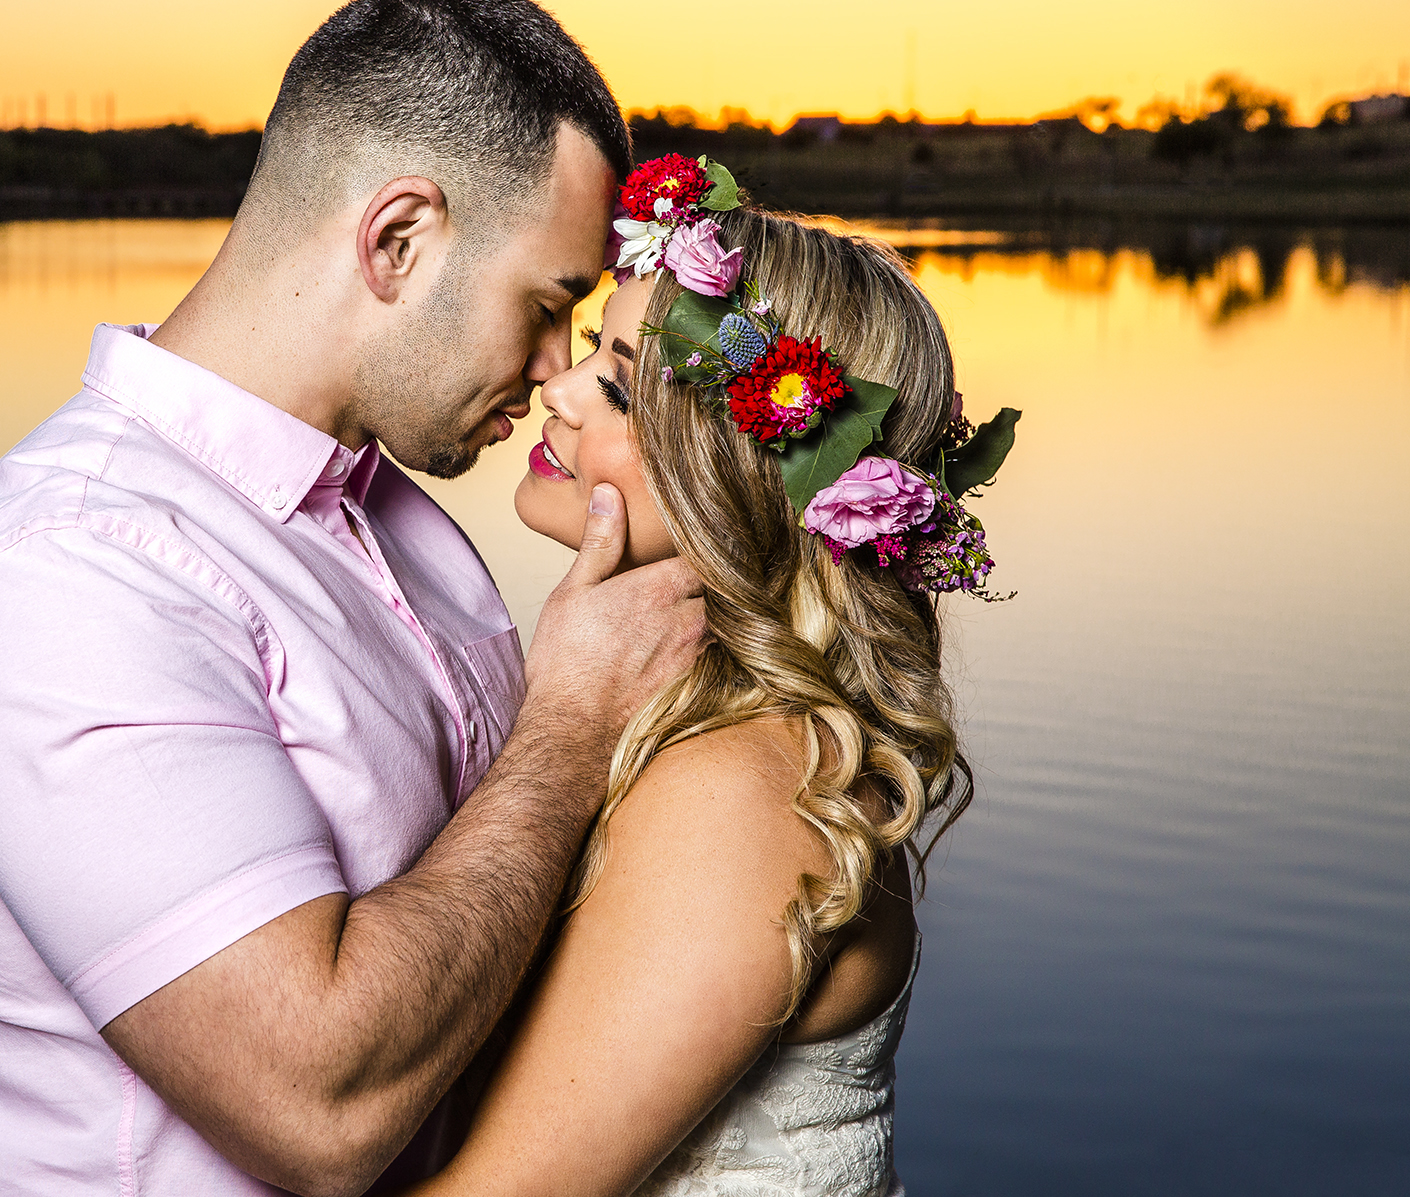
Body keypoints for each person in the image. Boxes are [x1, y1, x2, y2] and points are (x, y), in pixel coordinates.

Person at [0, 0, 706, 1196]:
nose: (549, 370)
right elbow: (317, 1107)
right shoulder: (62, 578)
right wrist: (573, 725)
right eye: (542, 306)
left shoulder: (405, 524)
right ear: (397, 238)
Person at [402, 168, 1017, 1197]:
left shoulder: (739, 791)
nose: (552, 389)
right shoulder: (710, 736)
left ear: (734, 466)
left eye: (614, 385)